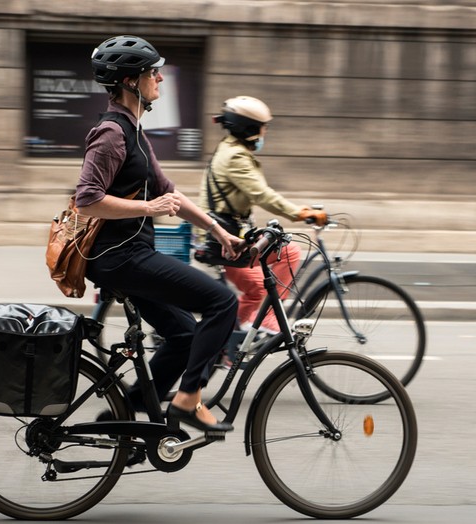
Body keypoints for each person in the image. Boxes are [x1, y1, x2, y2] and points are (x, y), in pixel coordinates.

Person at [76, 35, 243, 433]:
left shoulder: (134, 131)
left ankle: (122, 419)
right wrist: (146, 209)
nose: (161, 79)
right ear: (131, 80)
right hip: (120, 257)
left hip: (132, 255)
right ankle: (187, 400)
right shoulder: (111, 133)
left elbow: (170, 193)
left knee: (185, 335)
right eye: (155, 72)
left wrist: (217, 230)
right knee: (222, 303)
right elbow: (87, 200)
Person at [197, 96, 327, 334]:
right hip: (224, 239)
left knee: (288, 251)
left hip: (232, 232)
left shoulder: (231, 149)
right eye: (262, 127)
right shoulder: (235, 157)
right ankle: (231, 338)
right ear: (248, 128)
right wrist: (299, 212)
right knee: (258, 286)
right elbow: (261, 195)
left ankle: (249, 324)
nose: (264, 132)